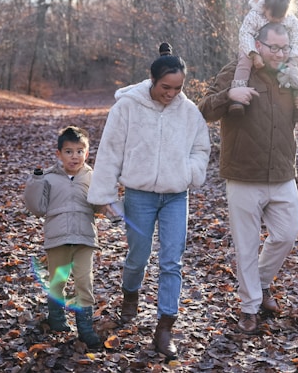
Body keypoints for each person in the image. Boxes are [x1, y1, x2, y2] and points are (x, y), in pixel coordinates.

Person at [198, 22, 298, 335]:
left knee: (287, 233)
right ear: (258, 44)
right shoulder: (236, 71)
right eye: (273, 48)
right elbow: (204, 108)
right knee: (246, 245)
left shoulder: (291, 73)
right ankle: (249, 308)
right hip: (243, 174)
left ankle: (262, 284)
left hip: (282, 173)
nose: (279, 54)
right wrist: (230, 94)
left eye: (284, 48)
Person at [87, 43, 210, 359]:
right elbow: (111, 151)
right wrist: (104, 195)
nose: (171, 94)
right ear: (152, 81)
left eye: (178, 88)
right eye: (165, 87)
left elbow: (201, 148)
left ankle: (165, 326)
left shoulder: (189, 111)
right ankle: (130, 298)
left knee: (172, 260)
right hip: (139, 195)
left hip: (175, 196)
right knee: (138, 255)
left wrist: (191, 170)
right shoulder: (127, 107)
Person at [23, 126, 104, 350]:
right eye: (68, 151)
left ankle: (86, 329)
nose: (74, 156)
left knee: (84, 281)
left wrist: (106, 196)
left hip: (84, 238)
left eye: (79, 151)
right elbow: (37, 208)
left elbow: (100, 206)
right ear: (59, 154)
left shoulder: (93, 177)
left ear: (86, 154)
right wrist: (36, 181)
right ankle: (57, 319)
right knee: (58, 280)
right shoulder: (49, 178)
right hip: (57, 237)